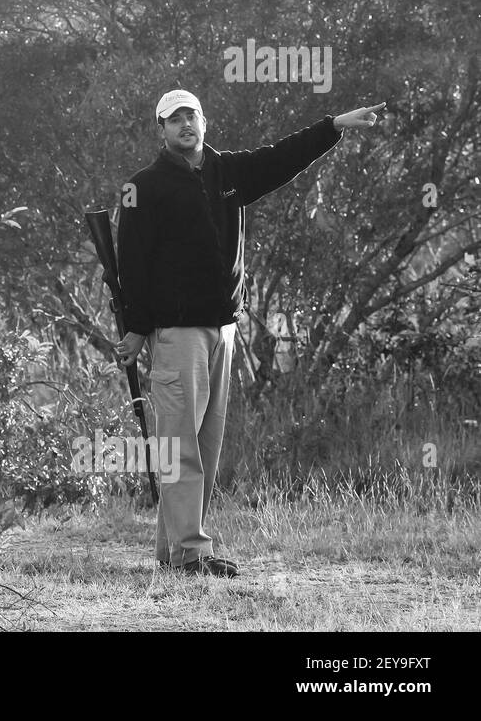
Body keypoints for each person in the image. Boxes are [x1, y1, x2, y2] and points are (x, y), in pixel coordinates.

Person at [115, 89, 385, 577]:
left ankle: (174, 552)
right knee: (180, 448)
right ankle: (192, 555)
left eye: (191, 116)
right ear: (161, 129)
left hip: (223, 331)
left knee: (206, 446)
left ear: (204, 120)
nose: (185, 126)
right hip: (176, 335)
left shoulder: (228, 173)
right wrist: (136, 329)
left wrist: (334, 125)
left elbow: (283, 157)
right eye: (174, 120)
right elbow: (130, 265)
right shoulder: (144, 187)